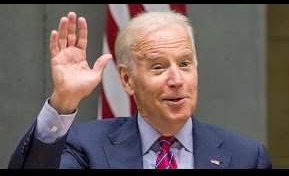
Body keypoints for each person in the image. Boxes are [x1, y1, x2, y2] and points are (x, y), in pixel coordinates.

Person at [8, 11, 272, 169]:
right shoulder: (86, 148)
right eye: (158, 67)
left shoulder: (246, 157)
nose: (177, 79)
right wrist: (63, 101)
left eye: (184, 64)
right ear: (127, 79)